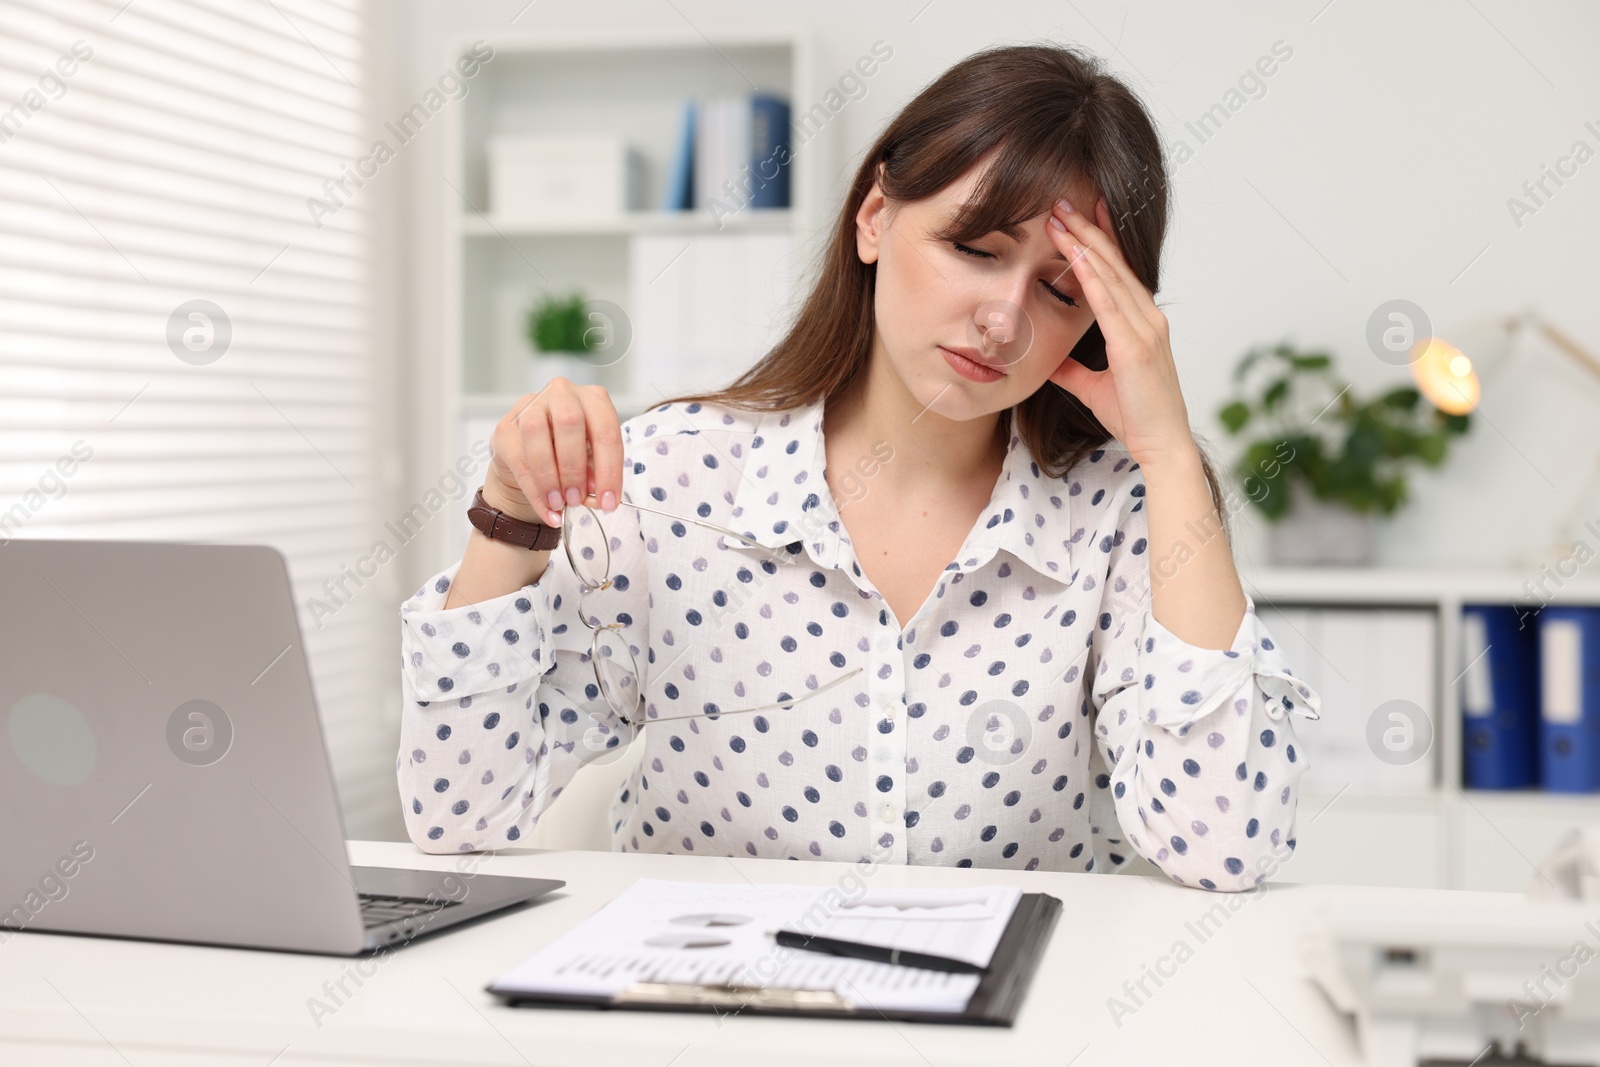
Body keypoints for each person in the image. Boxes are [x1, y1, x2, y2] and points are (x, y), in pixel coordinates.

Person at [396, 42, 1322, 890]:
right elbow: (457, 813)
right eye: (974, 249)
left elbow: (1224, 842)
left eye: (1062, 289)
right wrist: (507, 516)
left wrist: (1166, 454)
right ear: (876, 217)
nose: (1004, 318)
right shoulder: (674, 479)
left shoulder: (1117, 513)